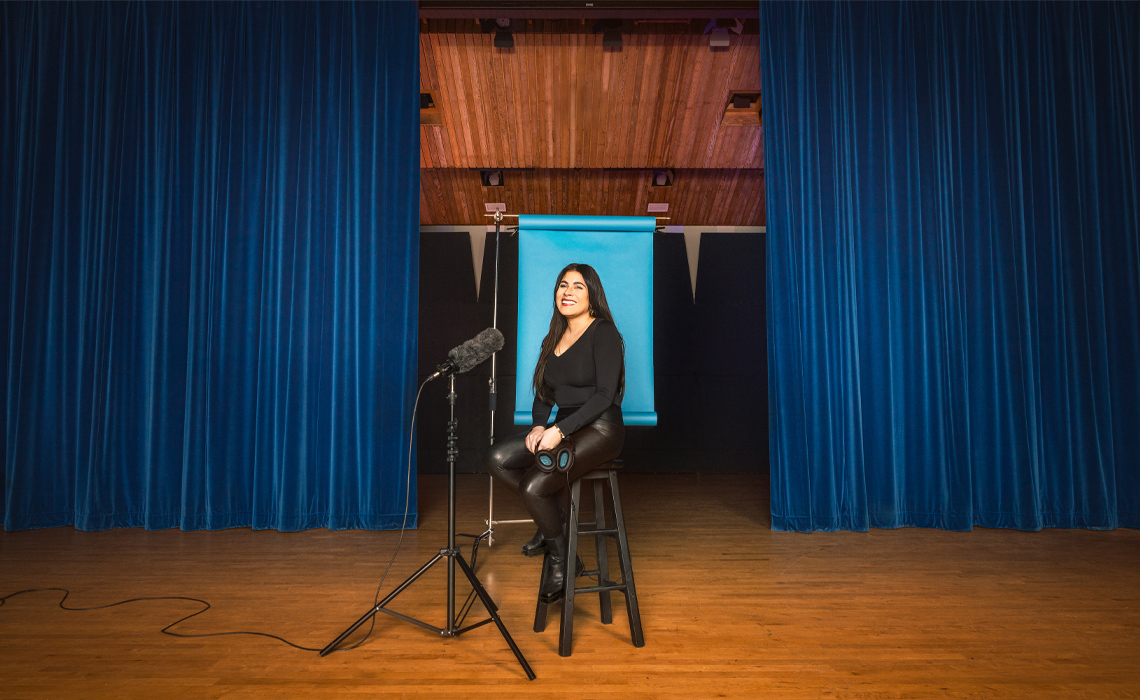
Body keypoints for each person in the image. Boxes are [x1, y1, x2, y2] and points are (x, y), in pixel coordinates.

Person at [483, 263, 625, 605]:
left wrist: (559, 430)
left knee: (534, 486)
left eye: (577, 286)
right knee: (497, 459)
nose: (568, 292)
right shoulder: (554, 337)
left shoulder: (603, 331)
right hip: (563, 426)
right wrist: (538, 426)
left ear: (591, 296)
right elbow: (545, 393)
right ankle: (554, 528)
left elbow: (605, 395)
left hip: (601, 428)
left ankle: (563, 560)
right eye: (563, 285)